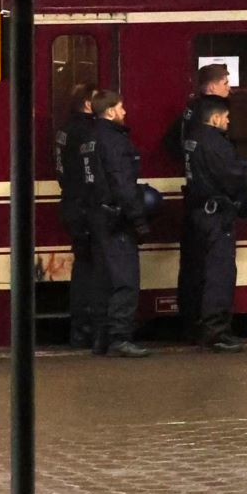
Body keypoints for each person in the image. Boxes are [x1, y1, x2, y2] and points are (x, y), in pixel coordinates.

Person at [182, 96, 247, 352]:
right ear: (215, 118)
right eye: (226, 117)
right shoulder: (214, 143)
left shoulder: (191, 139)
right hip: (217, 215)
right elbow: (232, 176)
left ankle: (197, 326)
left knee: (199, 272)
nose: (228, 121)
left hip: (198, 212)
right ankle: (216, 332)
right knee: (220, 273)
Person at [79, 89, 151, 358]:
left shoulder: (88, 139)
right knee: (125, 280)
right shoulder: (114, 140)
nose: (124, 112)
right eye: (121, 108)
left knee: (102, 281)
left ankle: (101, 337)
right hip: (116, 218)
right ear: (109, 111)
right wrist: (138, 219)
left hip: (95, 216)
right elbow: (122, 182)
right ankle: (120, 337)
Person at [173, 63, 232, 335]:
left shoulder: (188, 111)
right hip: (212, 204)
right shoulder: (211, 118)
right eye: (225, 82)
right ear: (211, 87)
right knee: (216, 270)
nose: (229, 88)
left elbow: (173, 143)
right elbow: (226, 166)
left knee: (193, 267)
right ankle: (213, 330)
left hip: (193, 202)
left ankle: (189, 322)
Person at [54, 83, 99, 349]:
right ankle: (87, 328)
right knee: (93, 269)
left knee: (82, 267)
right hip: (85, 206)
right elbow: (90, 174)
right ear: (86, 104)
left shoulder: (64, 129)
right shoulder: (87, 132)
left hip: (70, 203)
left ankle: (80, 328)